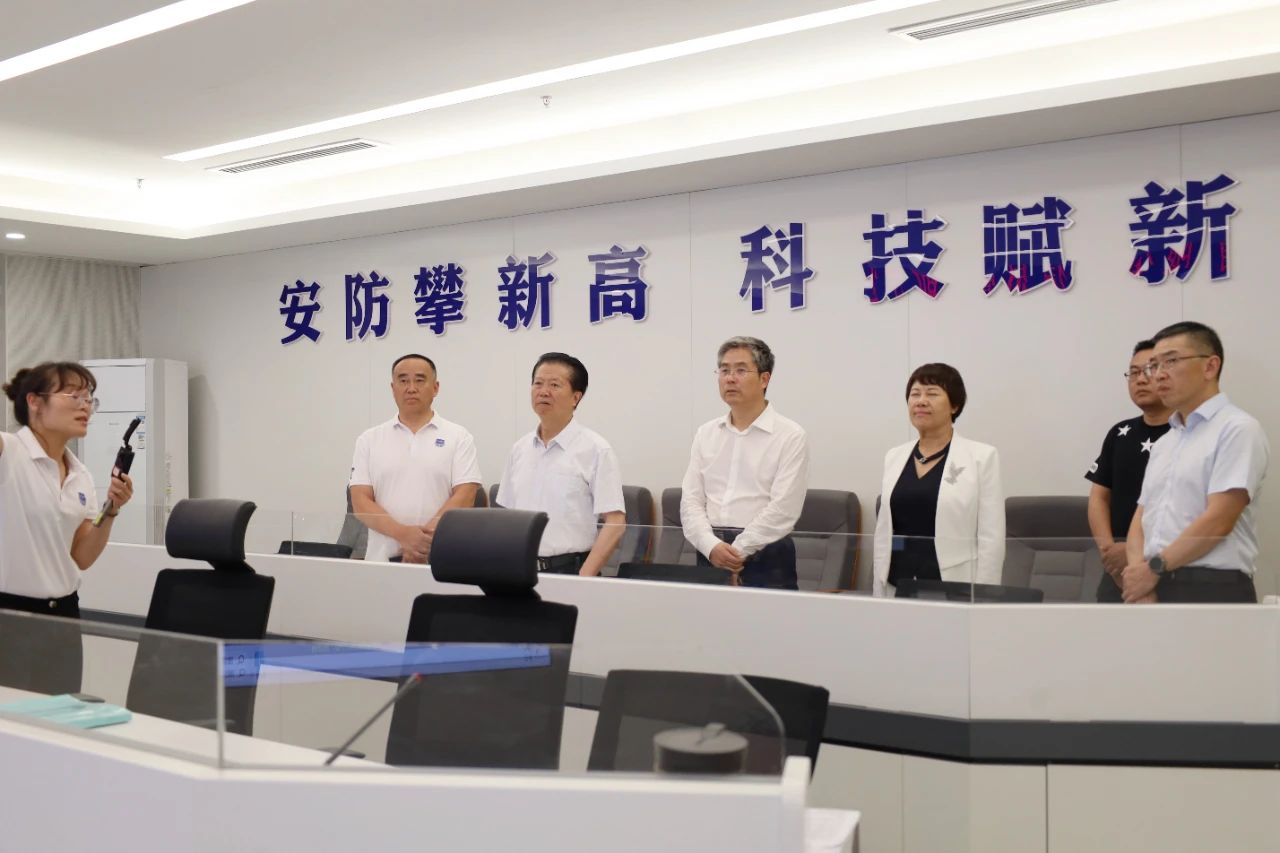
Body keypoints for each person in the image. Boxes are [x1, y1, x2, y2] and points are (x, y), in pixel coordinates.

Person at [0, 361, 133, 693]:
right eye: (74, 395)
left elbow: (82, 555)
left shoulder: (80, 474)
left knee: (60, 714)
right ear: (34, 401)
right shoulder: (8, 452)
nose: (85, 406)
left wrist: (111, 508)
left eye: (89, 398)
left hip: (63, 615)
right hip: (10, 616)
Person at [1120, 322, 1269, 603]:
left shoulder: (1237, 429)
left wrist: (1153, 569)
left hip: (1211, 586)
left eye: (1171, 361)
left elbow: (1219, 520)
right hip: (1154, 584)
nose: (1158, 374)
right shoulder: (1166, 442)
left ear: (1210, 367)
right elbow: (1141, 517)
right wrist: (1139, 577)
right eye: (1154, 365)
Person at [680, 337, 809, 590]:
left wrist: (736, 552)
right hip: (711, 552)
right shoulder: (706, 433)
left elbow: (784, 508)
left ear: (764, 379)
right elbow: (691, 499)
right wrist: (710, 545)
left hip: (766, 555)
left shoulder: (790, 435)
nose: (730, 378)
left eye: (740, 370)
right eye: (724, 370)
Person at [872, 363, 1004, 597]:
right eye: (915, 394)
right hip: (897, 584)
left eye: (932, 394)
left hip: (955, 587)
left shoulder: (981, 457)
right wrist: (878, 591)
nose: (921, 401)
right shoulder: (894, 456)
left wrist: (985, 596)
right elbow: (884, 533)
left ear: (954, 405)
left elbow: (991, 539)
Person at [497, 353, 625, 576]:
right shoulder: (519, 449)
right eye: (538, 383)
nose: (543, 391)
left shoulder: (595, 449)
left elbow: (615, 522)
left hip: (570, 571)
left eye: (554, 385)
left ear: (576, 397)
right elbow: (506, 515)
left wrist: (584, 577)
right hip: (519, 570)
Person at [349, 354, 481, 563]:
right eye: (403, 381)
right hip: (382, 561)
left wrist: (421, 543)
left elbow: (465, 496)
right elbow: (360, 502)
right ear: (393, 388)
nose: (411, 388)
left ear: (435, 388)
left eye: (420, 380)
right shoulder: (369, 439)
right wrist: (404, 535)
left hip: (440, 560)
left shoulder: (459, 437)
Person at [1085, 340, 1172, 602]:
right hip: (1116, 569)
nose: (1140, 380)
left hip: (1166, 567)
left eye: (1149, 371)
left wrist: (1136, 554)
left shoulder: (1185, 435)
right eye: (1133, 373)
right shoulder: (1120, 433)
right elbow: (1099, 498)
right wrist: (1110, 553)